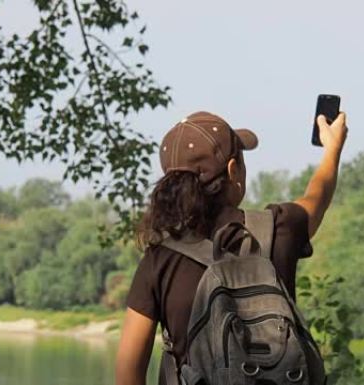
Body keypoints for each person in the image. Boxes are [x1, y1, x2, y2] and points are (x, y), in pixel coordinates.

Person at [116, 110, 348, 385]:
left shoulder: (160, 257)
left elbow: (128, 371)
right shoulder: (277, 230)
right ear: (232, 170)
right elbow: (316, 198)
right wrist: (332, 149)